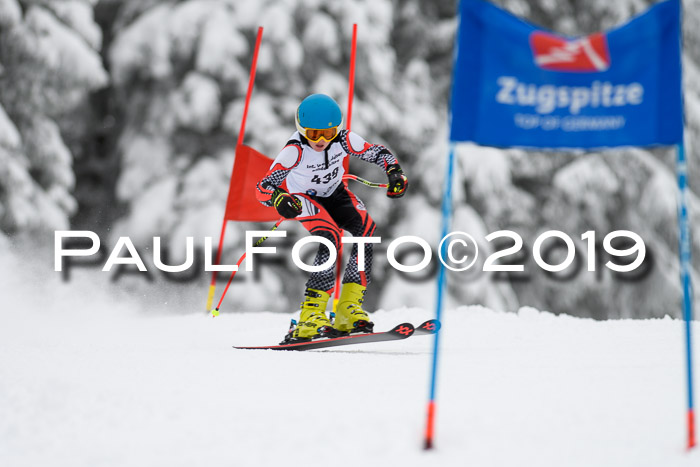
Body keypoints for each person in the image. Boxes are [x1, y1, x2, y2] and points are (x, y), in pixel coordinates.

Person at [256, 94, 408, 341]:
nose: (321, 141)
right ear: (301, 129)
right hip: (304, 199)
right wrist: (279, 199)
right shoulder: (294, 151)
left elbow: (378, 152)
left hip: (335, 193)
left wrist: (395, 172)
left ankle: (348, 308)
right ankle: (311, 315)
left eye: (328, 133)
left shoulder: (343, 139)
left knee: (365, 231)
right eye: (313, 134)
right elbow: (262, 189)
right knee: (330, 237)